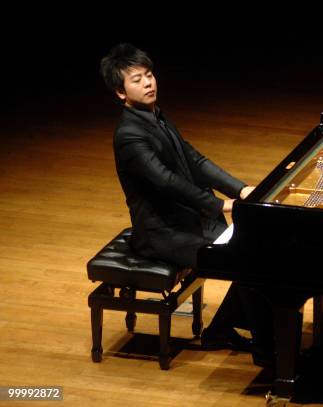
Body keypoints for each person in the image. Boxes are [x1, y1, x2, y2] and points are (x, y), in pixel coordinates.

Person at [99, 43, 260, 352]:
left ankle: (228, 329)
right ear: (121, 92)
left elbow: (195, 160)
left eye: (149, 75)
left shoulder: (155, 116)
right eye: (137, 79)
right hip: (163, 235)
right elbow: (166, 181)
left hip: (187, 221)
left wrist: (239, 189)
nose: (148, 83)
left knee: (255, 251)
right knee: (246, 260)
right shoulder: (129, 136)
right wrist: (221, 204)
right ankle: (252, 339)